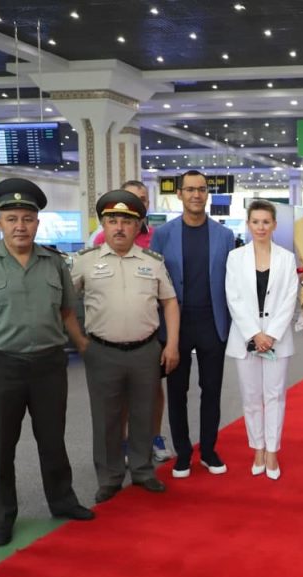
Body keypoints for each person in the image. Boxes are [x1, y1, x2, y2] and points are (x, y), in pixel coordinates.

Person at [0, 178, 94, 546]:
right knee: (0, 445)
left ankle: (62, 501)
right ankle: (2, 517)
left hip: (48, 365)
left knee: (52, 438)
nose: (20, 226)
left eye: (28, 219)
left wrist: (81, 343)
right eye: (12, 218)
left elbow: (66, 309)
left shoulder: (54, 263)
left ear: (37, 223)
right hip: (1, 366)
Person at [71, 190, 180, 503]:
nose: (119, 227)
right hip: (102, 351)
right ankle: (110, 477)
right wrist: (79, 340)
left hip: (145, 350)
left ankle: (143, 470)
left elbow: (170, 302)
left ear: (138, 227)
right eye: (112, 220)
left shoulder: (152, 262)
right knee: (106, 417)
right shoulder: (85, 262)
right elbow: (64, 303)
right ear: (103, 225)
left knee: (144, 413)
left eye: (127, 222)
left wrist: (172, 345)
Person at [151, 170, 234, 478]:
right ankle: (183, 453)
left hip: (213, 322)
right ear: (180, 194)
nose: (196, 195)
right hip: (176, 325)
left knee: (211, 389)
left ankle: (209, 450)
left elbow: (232, 282)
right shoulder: (163, 235)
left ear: (207, 194)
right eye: (190, 190)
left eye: (201, 189)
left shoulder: (224, 236)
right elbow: (155, 282)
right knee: (177, 390)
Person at [91, 180, 172, 463]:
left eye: (144, 199)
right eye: (133, 197)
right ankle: (124, 441)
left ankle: (154, 436)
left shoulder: (157, 238)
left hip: (151, 326)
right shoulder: (101, 240)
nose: (140, 203)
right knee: (120, 393)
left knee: (152, 389)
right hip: (113, 333)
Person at [225, 200, 299, 479]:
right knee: (251, 396)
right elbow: (233, 298)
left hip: (276, 338)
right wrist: (255, 334)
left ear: (274, 225)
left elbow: (290, 298)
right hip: (246, 336)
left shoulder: (286, 258)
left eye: (266, 222)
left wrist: (271, 334)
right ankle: (257, 448)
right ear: (248, 224)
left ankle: (272, 451)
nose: (260, 227)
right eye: (255, 222)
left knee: (275, 395)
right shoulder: (235, 257)